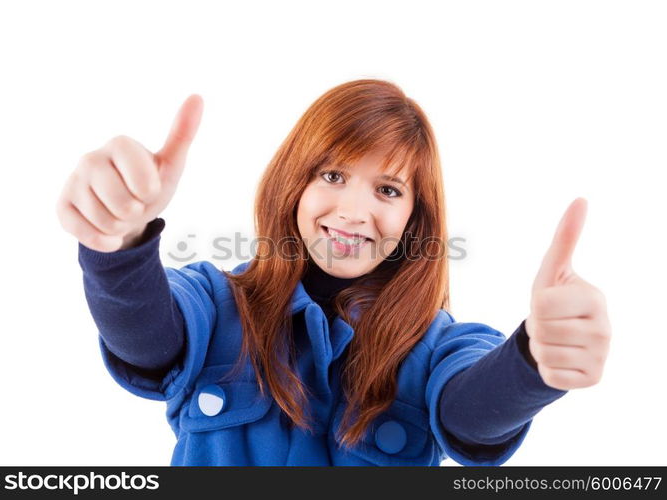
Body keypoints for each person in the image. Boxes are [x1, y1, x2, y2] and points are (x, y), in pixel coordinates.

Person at [56, 80, 612, 466]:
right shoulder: (215, 301)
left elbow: (471, 409)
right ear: (294, 183)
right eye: (333, 175)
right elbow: (146, 335)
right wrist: (118, 244)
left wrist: (533, 362)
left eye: (388, 189)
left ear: (415, 218)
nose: (352, 211)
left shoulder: (439, 346)